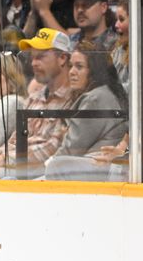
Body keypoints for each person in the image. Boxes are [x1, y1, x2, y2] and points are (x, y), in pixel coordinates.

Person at [44, 41, 128, 181]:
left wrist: (43, 168)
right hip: (99, 170)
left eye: (79, 66)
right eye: (71, 66)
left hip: (99, 171)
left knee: (55, 166)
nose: (71, 72)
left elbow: (73, 147)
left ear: (94, 70)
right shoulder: (105, 92)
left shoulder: (95, 98)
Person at [1, 28, 73, 179]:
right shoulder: (34, 98)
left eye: (40, 57)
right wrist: (0, 157)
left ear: (62, 58)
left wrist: (4, 159)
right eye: (32, 58)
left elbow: (54, 149)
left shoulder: (73, 99)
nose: (33, 63)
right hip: (16, 164)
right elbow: (14, 140)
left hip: (43, 174)